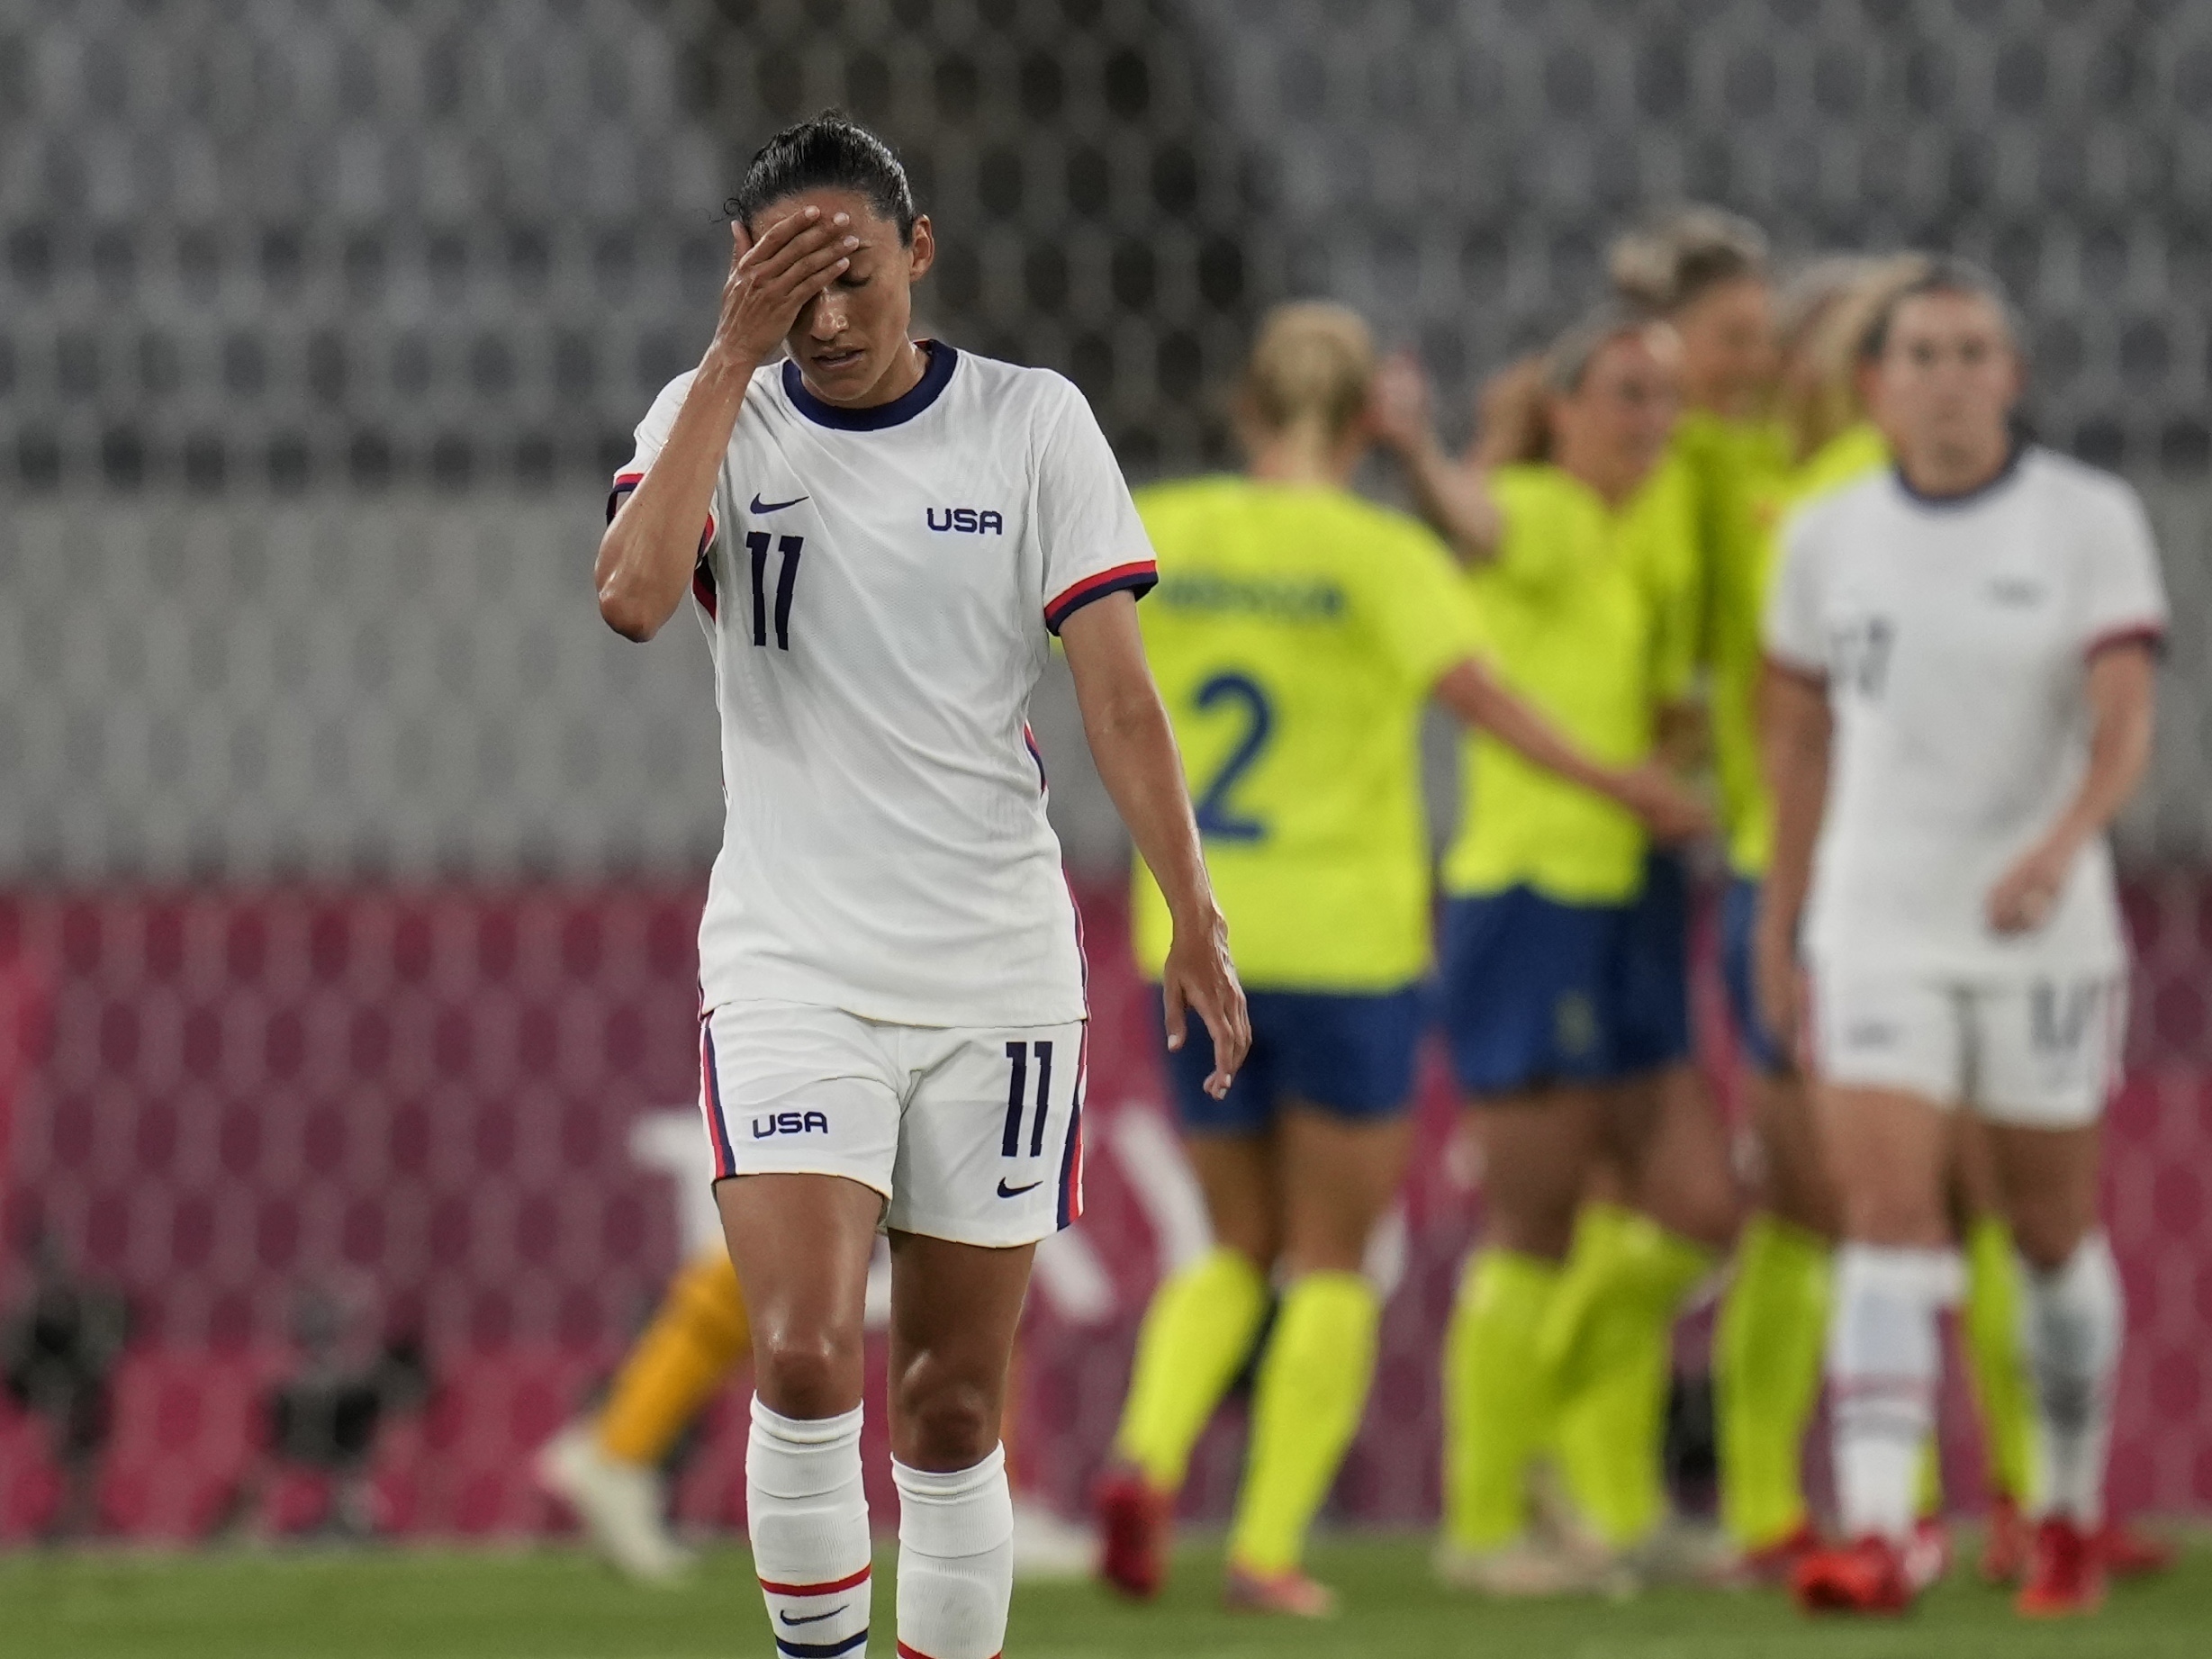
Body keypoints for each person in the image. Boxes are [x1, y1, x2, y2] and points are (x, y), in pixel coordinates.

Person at [592, 112, 1249, 1659]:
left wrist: (1193, 915)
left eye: (854, 279)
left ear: (921, 253)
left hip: (995, 970)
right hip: (794, 966)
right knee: (809, 1355)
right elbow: (629, 599)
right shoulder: (717, 413)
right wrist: (727, 363)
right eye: (784, 284)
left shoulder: (1030, 426)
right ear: (742, 280)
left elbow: (1119, 700)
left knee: (952, 1409)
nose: (824, 319)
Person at [1092, 304, 1706, 1616]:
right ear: (1368, 419)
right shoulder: (1377, 554)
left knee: (1228, 1245)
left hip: (1194, 933)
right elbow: (1487, 706)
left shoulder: (1156, 530)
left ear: (1243, 411)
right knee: (1330, 1255)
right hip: (1348, 943)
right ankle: (1261, 1548)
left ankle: (1143, 1462)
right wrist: (1625, 784)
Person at [1758, 261, 2166, 1618]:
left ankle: (2064, 1504)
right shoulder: (1823, 538)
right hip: (1876, 921)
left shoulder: (2085, 521)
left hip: (2042, 934)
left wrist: (2057, 848)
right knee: (1882, 1216)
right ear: (1871, 383)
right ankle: (1882, 1531)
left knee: (2049, 1230)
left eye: (1969, 350)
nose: (1944, 375)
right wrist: (1783, 922)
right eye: (1918, 352)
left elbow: (2120, 725)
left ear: (2012, 374)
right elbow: (1797, 743)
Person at [1370, 308, 1717, 1591]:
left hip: (1630, 894)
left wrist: (1674, 746)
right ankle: (1482, 1525)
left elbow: (1649, 695)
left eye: (1664, 399)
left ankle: (1564, 1451)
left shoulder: (1650, 529)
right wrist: (1408, 450)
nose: (1651, 421)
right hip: (1526, 901)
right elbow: (1471, 517)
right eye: (1626, 395)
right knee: (1536, 1223)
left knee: (1693, 1213)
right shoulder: (1539, 509)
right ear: (1563, 412)